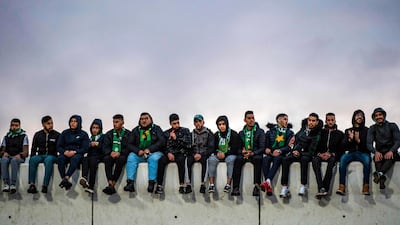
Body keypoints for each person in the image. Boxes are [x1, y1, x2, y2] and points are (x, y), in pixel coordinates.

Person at [280, 113, 323, 198]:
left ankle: (303, 185)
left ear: (317, 122)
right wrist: (294, 150)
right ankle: (284, 187)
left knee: (304, 159)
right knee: (285, 159)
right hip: (296, 152)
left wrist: (299, 152)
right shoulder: (303, 129)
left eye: (313, 121)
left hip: (307, 154)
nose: (311, 122)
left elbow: (312, 151)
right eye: (309, 120)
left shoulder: (317, 134)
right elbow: (296, 139)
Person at [124, 112, 164, 193]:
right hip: (140, 154)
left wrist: (150, 149)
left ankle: (151, 183)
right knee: (131, 156)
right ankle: (130, 183)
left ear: (151, 119)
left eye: (146, 118)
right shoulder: (135, 130)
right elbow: (129, 144)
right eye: (142, 119)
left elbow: (162, 141)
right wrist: (137, 151)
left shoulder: (157, 128)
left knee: (153, 159)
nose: (144, 121)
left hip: (154, 152)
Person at [155, 113, 192, 194]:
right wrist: (168, 153)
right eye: (174, 123)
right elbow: (163, 146)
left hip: (181, 153)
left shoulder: (185, 131)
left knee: (181, 160)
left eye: (178, 123)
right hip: (170, 154)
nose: (177, 125)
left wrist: (176, 139)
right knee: (161, 161)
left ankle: (182, 185)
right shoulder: (166, 133)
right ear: (170, 123)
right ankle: (159, 185)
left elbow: (188, 145)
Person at [336, 110, 370, 195]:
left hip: (363, 153)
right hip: (351, 153)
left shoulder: (367, 130)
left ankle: (366, 186)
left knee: (367, 161)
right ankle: (342, 186)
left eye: (361, 115)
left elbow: (368, 146)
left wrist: (358, 140)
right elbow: (343, 146)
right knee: (343, 159)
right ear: (354, 117)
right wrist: (350, 140)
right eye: (357, 115)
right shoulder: (348, 130)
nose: (359, 117)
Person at [232, 110, 265, 196]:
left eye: (253, 118)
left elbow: (262, 148)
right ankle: (235, 188)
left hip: (255, 154)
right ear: (245, 120)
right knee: (237, 159)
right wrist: (242, 151)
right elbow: (237, 149)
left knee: (258, 159)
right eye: (249, 118)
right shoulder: (241, 133)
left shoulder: (260, 132)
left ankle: (256, 186)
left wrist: (253, 153)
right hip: (244, 154)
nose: (251, 120)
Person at [260, 113, 294, 196]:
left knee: (277, 159)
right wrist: (266, 149)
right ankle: (268, 183)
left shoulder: (290, 133)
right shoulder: (269, 132)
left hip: (281, 154)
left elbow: (289, 147)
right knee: (265, 159)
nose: (287, 121)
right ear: (279, 120)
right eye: (285, 119)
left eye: (287, 119)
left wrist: (280, 151)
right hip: (271, 153)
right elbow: (265, 145)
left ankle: (267, 182)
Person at [312, 113, 344, 198]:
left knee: (332, 162)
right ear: (326, 121)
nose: (330, 122)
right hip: (321, 154)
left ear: (335, 121)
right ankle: (321, 187)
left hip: (332, 155)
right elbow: (315, 145)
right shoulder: (320, 132)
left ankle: (325, 188)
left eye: (332, 120)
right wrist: (319, 154)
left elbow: (341, 148)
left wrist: (332, 154)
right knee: (315, 161)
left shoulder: (340, 133)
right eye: (328, 120)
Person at [367, 107, 400, 189]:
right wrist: (375, 152)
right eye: (376, 115)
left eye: (380, 115)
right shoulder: (372, 128)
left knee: (390, 157)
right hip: (380, 152)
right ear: (374, 118)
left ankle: (379, 174)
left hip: (391, 151)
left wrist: (392, 151)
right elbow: (368, 143)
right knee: (377, 158)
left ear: (384, 115)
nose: (378, 117)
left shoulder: (392, 125)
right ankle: (381, 177)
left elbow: (398, 141)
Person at [207, 115, 240, 193]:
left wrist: (225, 154)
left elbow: (235, 149)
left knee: (230, 160)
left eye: (223, 124)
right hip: (219, 154)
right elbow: (212, 147)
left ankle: (228, 185)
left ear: (227, 124)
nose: (221, 126)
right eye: (219, 124)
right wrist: (217, 153)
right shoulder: (215, 135)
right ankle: (211, 185)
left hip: (229, 154)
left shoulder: (233, 134)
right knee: (211, 159)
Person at [27, 116, 60, 194]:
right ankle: (32, 185)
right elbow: (34, 148)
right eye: (48, 123)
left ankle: (45, 185)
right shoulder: (38, 134)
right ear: (43, 124)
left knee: (48, 159)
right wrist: (32, 157)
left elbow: (60, 148)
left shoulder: (57, 135)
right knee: (32, 159)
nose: (51, 125)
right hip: (41, 155)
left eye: (52, 123)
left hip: (52, 156)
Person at [102, 114, 133, 195]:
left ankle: (113, 184)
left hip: (121, 154)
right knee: (106, 159)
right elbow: (105, 146)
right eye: (113, 122)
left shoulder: (128, 134)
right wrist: (110, 152)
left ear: (122, 122)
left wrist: (120, 152)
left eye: (117, 122)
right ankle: (110, 183)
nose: (114, 124)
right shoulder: (109, 133)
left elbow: (129, 147)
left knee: (121, 160)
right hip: (111, 154)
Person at [57, 115, 90, 190]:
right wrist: (64, 152)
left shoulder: (83, 134)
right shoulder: (65, 133)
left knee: (75, 159)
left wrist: (75, 152)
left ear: (79, 123)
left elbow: (85, 148)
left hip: (77, 153)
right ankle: (64, 179)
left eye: (75, 121)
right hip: (66, 152)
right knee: (60, 158)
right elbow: (59, 146)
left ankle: (67, 177)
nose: (73, 123)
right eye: (71, 121)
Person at [1, 118, 29, 193]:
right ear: (10, 126)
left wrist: (20, 155)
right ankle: (6, 184)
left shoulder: (24, 136)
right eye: (12, 125)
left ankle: (13, 184)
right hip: (8, 156)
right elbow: (1, 150)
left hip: (18, 157)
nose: (14, 127)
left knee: (14, 160)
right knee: (3, 160)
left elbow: (26, 152)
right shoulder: (6, 137)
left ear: (19, 126)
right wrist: (4, 153)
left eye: (16, 125)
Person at [79, 119, 104, 193]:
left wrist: (98, 144)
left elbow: (105, 147)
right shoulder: (89, 138)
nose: (95, 130)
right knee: (85, 158)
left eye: (97, 128)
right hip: (90, 156)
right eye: (93, 128)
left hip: (99, 156)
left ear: (100, 129)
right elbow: (84, 148)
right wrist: (89, 145)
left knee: (93, 161)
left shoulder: (103, 136)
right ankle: (84, 178)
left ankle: (91, 186)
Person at [191, 114, 214, 193]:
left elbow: (211, 147)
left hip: (204, 154)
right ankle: (187, 184)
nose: (198, 123)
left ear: (203, 122)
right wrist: (194, 154)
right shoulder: (191, 134)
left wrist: (201, 154)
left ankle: (203, 184)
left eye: (199, 121)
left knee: (206, 161)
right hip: (194, 154)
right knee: (187, 160)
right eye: (196, 122)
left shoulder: (209, 132)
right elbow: (189, 147)